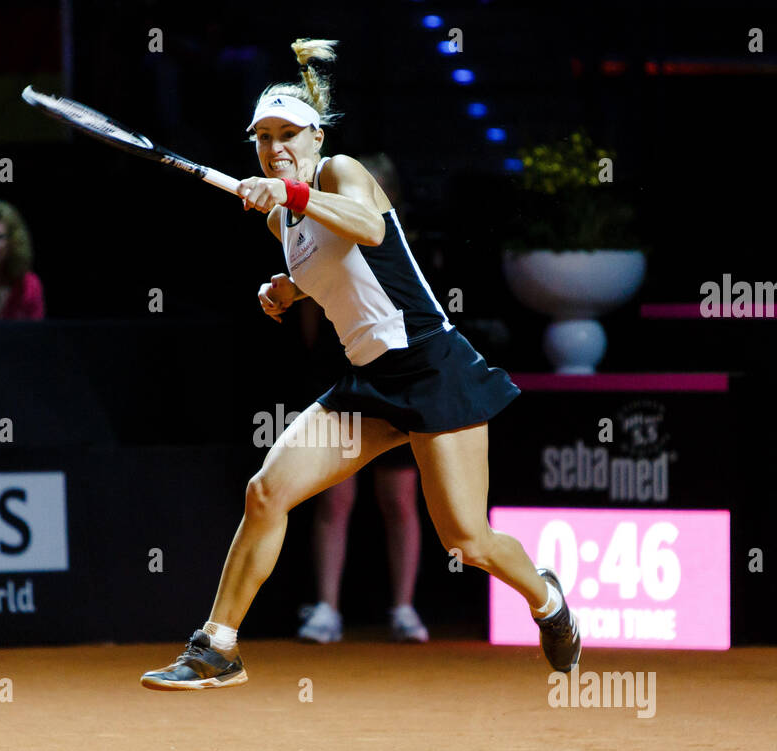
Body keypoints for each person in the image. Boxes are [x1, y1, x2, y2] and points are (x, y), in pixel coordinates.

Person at [140, 39, 580, 691]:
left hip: (432, 368)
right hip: (369, 384)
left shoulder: (342, 173)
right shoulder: (281, 221)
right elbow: (332, 269)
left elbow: (367, 231)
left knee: (466, 539)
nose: (274, 146)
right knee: (266, 491)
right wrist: (288, 288)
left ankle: (547, 599)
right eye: (263, 138)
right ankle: (218, 647)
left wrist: (289, 190)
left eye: (287, 133)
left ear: (314, 138)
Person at [294, 153, 428, 645]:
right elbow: (312, 327)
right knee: (336, 496)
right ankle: (327, 609)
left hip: (399, 378)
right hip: (344, 377)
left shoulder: (400, 246)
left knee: (399, 499)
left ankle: (403, 609)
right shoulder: (317, 239)